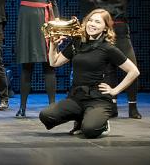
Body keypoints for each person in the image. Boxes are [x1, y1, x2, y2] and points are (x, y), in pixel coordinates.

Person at [68, 0, 150, 118]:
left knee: (131, 66)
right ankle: (111, 104)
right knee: (107, 70)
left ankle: (132, 106)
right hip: (103, 33)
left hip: (121, 31)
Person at [39, 9, 141, 138]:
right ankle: (81, 117)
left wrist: (115, 91)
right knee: (46, 115)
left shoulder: (108, 48)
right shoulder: (77, 43)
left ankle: (102, 123)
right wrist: (54, 46)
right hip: (77, 97)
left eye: (97, 22)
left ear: (105, 28)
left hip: (98, 99)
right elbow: (54, 63)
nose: (92, 24)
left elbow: (134, 71)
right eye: (90, 20)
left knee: (90, 130)